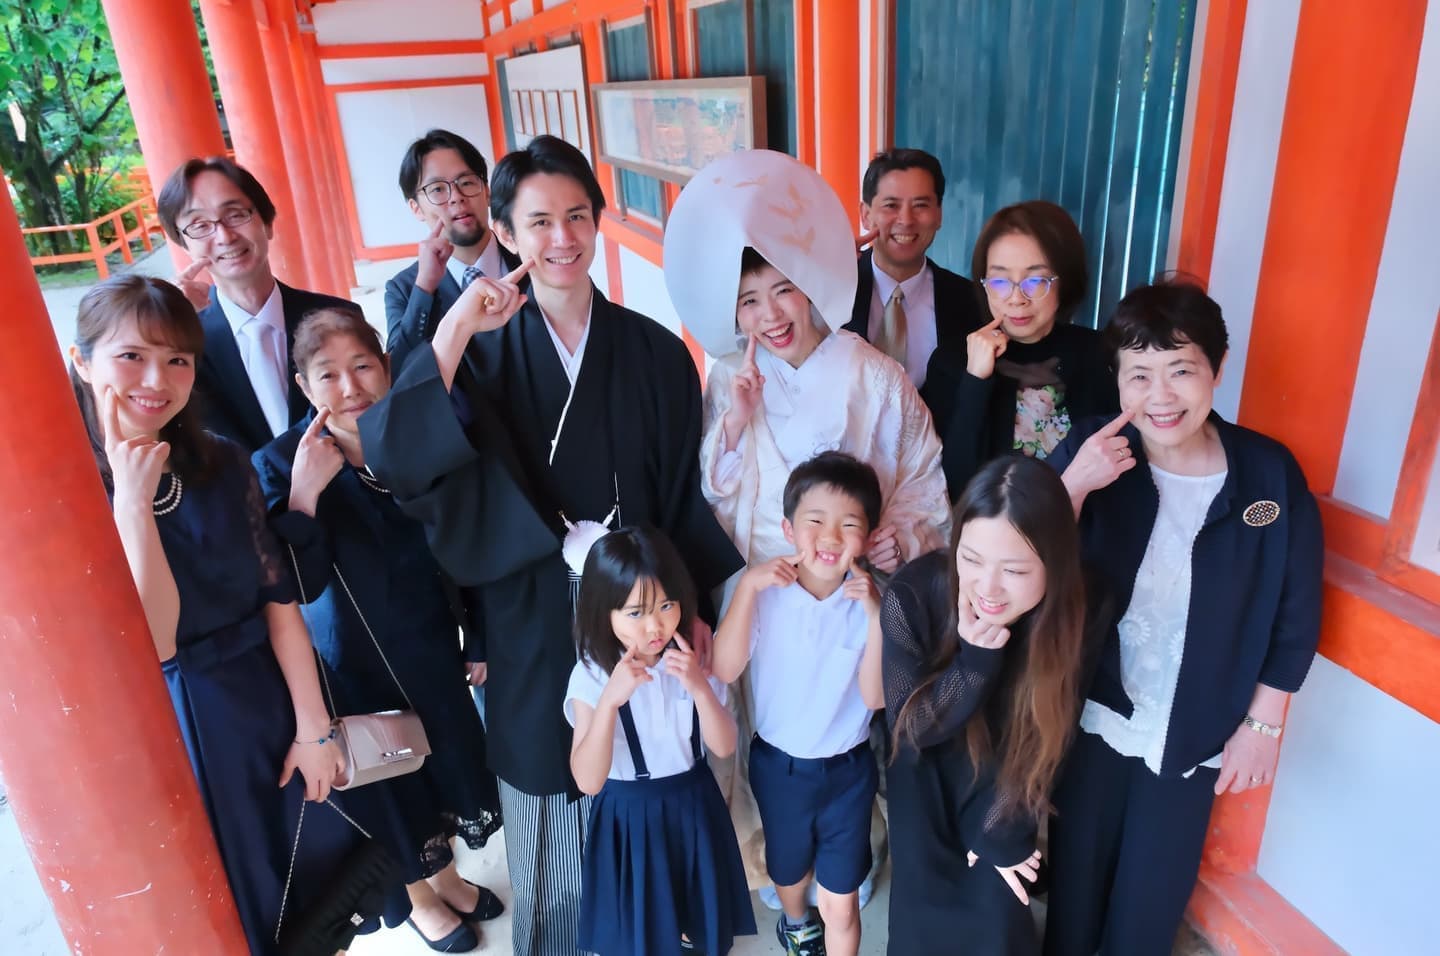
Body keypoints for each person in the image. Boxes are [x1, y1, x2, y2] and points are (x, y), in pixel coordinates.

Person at [358, 134, 742, 956]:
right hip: (533, 618)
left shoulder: (653, 350)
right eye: (538, 221)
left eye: (576, 216)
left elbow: (682, 494)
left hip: (644, 614)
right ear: (503, 229)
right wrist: (459, 322)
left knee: (654, 806)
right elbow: (394, 452)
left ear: (598, 222)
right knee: (552, 832)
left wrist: (697, 607)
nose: (561, 238)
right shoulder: (483, 351)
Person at [68, 275, 398, 955]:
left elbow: (277, 599)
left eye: (178, 359)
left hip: (266, 703)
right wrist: (131, 504)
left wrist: (313, 729)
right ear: (82, 361)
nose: (156, 378)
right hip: (184, 725)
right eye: (131, 356)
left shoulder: (220, 460)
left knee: (313, 891)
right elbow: (156, 643)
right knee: (234, 913)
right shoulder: (74, 488)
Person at [1042, 280, 1323, 956]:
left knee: (1149, 901)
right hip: (1092, 715)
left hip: (1195, 725)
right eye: (1140, 374)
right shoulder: (1094, 450)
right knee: (1074, 892)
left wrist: (1263, 724)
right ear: (1117, 380)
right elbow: (1018, 555)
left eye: (1181, 370)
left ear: (1217, 371)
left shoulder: (1266, 476)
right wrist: (1073, 484)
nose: (1161, 396)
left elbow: (1295, 601)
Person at [252, 306, 507, 953]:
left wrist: (475, 634)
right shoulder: (282, 463)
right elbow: (290, 587)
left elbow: (463, 538)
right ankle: (421, 900)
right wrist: (304, 498)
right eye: (327, 374)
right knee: (390, 778)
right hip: (353, 666)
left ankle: (445, 876)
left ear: (386, 367)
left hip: (427, 645)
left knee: (440, 768)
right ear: (305, 387)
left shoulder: (408, 437)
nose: (349, 386)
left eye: (362, 365)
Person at [883, 455, 1090, 956]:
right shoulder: (913, 592)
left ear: (1055, 562)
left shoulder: (1080, 610)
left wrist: (1004, 831)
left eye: (1015, 569)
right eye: (971, 559)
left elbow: (1053, 734)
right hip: (925, 781)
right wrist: (976, 660)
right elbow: (909, 727)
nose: (988, 588)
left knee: (997, 924)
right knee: (922, 932)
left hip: (1008, 785)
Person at [712, 453, 887, 956]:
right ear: (788, 528)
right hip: (778, 766)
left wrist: (875, 616)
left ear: (869, 537)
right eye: (816, 521)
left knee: (842, 898)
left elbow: (874, 698)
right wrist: (747, 587)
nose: (831, 537)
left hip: (849, 771)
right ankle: (794, 920)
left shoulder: (870, 604)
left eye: (849, 524)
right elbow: (724, 669)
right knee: (787, 866)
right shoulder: (763, 592)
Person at [565, 527, 756, 956]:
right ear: (603, 613)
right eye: (635, 613)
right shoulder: (592, 676)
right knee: (642, 928)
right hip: (628, 815)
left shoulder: (690, 658)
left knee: (699, 917)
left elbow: (724, 746)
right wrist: (611, 702)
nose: (655, 626)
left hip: (693, 802)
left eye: (666, 606)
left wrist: (701, 687)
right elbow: (587, 781)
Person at [703, 245, 950, 572]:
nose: (771, 314)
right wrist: (736, 421)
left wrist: (900, 539)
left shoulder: (876, 375)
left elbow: (921, 477)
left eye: (784, 290)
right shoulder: (728, 376)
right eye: (749, 300)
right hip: (760, 579)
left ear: (808, 287)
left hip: (852, 581)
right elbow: (713, 495)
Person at [156, 156, 353, 452]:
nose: (224, 236)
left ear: (267, 223)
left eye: (235, 215)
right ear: (184, 244)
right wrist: (159, 321)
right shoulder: (182, 347)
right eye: (199, 225)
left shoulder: (338, 316)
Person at [924, 200, 1117, 498]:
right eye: (1000, 281)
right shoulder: (952, 361)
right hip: (986, 538)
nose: (1016, 298)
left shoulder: (1100, 355)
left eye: (1035, 281)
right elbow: (954, 483)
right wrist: (975, 380)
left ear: (1064, 280)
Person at [843, 148, 986, 401]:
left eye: (921, 205)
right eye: (891, 205)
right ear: (866, 215)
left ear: (939, 214)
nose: (906, 220)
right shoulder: (832, 287)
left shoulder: (971, 301)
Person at [385, 129, 522, 375]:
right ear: (416, 208)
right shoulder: (405, 290)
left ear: (487, 191)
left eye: (467, 182)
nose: (456, 197)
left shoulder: (530, 260)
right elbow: (401, 375)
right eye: (437, 189)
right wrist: (424, 288)